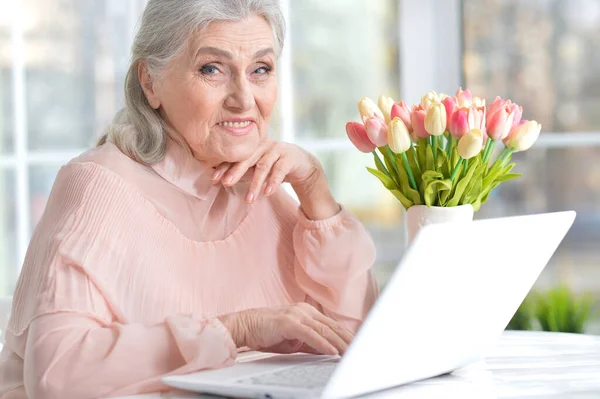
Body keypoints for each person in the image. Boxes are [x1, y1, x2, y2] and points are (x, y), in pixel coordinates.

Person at [0, 0, 378, 397]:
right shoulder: (97, 185)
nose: (244, 99)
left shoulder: (261, 189)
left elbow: (353, 340)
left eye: (260, 69)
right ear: (150, 82)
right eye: (212, 69)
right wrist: (236, 330)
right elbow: (56, 375)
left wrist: (315, 190)